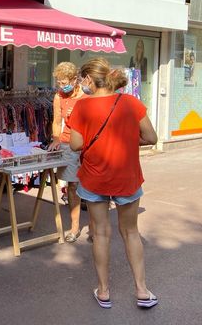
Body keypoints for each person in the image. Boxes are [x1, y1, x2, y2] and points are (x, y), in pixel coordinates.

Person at [69, 58, 158, 309]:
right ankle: (142, 290)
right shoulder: (130, 102)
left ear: (88, 79)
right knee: (131, 232)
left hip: (94, 178)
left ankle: (104, 291)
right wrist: (131, 140)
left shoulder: (82, 107)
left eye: (80, 79)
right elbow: (151, 137)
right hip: (126, 177)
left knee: (100, 233)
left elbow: (76, 144)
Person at [48, 62, 87, 243]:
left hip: (87, 145)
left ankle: (95, 227)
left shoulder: (86, 96)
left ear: (74, 79)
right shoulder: (59, 96)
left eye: (64, 82)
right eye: (59, 83)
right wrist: (56, 139)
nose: (62, 86)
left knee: (89, 186)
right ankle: (74, 227)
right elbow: (56, 121)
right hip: (67, 144)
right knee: (72, 186)